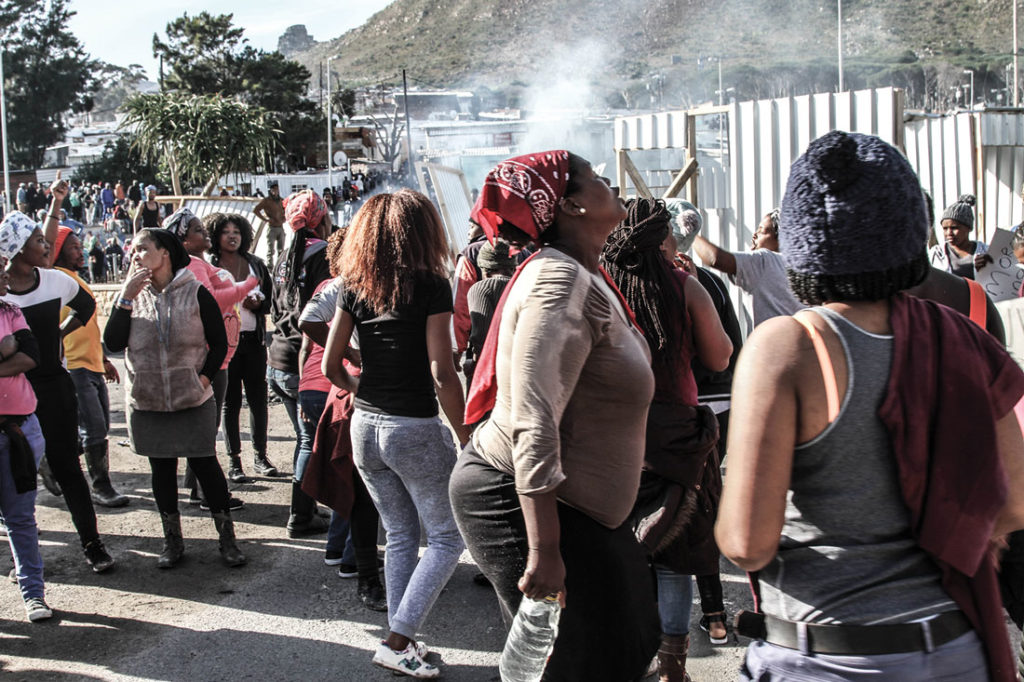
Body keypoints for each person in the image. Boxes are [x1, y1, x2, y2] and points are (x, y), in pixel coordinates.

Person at [716, 130, 1024, 682]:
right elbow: (1013, 505)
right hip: (954, 648)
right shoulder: (960, 337)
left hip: (829, 654)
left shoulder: (788, 346)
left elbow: (746, 542)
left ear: (801, 238)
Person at [448, 151, 661, 681]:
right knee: (578, 666)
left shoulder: (583, 274)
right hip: (526, 500)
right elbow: (533, 418)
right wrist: (544, 552)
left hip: (577, 509)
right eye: (594, 179)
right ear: (569, 204)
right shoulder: (556, 282)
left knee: (624, 645)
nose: (608, 182)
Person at [322, 189, 470, 678]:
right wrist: (466, 434)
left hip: (365, 424)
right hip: (414, 426)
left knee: (402, 534)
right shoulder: (431, 284)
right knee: (447, 539)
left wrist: (363, 388)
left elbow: (330, 364)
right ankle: (399, 639)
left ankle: (398, 641)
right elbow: (443, 373)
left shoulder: (353, 284)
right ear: (422, 230)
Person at [602, 198, 733, 682]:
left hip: (611, 434)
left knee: (618, 547)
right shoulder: (685, 286)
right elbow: (720, 358)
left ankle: (627, 653)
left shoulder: (598, 286)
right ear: (664, 239)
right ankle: (673, 668)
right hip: (675, 435)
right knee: (674, 556)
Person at [103, 228, 245, 568]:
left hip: (192, 398)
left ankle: (227, 541)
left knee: (205, 465)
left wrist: (203, 380)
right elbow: (111, 342)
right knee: (161, 470)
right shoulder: (132, 296)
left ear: (165, 252)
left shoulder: (195, 292)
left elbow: (219, 343)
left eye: (142, 248)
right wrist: (124, 297)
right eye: (134, 250)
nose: (135, 255)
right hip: (149, 402)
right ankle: (173, 543)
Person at [0, 186, 115, 573]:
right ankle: (25, 559)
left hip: (54, 388)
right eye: (37, 240)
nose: (45, 245)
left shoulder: (54, 282)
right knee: (18, 478)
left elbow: (86, 304)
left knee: (68, 468)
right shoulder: (2, 298)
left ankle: (92, 544)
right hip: (11, 396)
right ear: (17, 251)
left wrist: (60, 335)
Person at [660, 199, 743, 649]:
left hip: (685, 407)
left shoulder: (666, 282)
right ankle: (714, 616)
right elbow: (734, 345)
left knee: (679, 511)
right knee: (703, 505)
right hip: (721, 406)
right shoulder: (708, 281)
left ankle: (697, 622)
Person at [297, 228, 385, 612]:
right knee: (362, 488)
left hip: (367, 395)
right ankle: (358, 564)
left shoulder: (396, 280)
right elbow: (309, 321)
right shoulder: (344, 285)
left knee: (368, 489)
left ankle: (349, 556)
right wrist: (352, 356)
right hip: (354, 396)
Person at [163, 208, 257, 507]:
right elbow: (207, 309)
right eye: (196, 229)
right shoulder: (191, 268)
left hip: (218, 356)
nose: (204, 232)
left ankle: (195, 486)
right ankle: (207, 492)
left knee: (204, 425)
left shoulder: (197, 264)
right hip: (209, 358)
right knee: (207, 425)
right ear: (183, 239)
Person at [268, 190, 332, 537]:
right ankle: (300, 516)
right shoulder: (321, 254)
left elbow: (277, 309)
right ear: (321, 219)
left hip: (277, 359)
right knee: (309, 441)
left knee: (303, 439)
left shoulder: (284, 256)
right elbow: (316, 314)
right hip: (300, 363)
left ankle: (306, 507)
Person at [52, 227, 129, 507]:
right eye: (73, 247)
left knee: (100, 426)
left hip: (93, 364)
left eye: (79, 246)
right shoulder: (56, 279)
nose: (80, 251)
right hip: (73, 365)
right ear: (58, 250)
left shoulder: (75, 279)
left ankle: (51, 461)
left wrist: (104, 360)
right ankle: (101, 486)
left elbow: (89, 327)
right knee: (94, 428)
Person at [0, 255, 51, 621]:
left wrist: (12, 350)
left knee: (20, 518)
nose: (5, 274)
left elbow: (30, 357)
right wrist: (6, 351)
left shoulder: (10, 311)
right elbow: (13, 355)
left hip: (19, 430)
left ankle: (33, 595)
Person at [208, 213, 273, 484]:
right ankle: (234, 461)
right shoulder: (209, 266)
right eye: (226, 232)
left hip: (253, 341)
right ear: (216, 236)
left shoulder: (255, 264)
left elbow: (270, 301)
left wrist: (259, 304)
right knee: (230, 402)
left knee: (258, 400)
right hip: (224, 346)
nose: (232, 236)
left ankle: (260, 457)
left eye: (237, 231)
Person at [692, 209, 805, 326]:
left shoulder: (765, 260)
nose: (754, 235)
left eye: (761, 230)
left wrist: (691, 232)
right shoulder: (802, 268)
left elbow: (715, 259)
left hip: (768, 343)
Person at [462, 238, 515, 384]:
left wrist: (473, 366)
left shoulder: (480, 289)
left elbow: (481, 338)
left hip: (497, 376)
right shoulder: (525, 285)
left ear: (484, 268)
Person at [929, 194, 992, 280]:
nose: (949, 233)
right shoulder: (936, 254)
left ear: (969, 228)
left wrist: (987, 269)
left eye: (954, 228)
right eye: (945, 228)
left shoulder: (986, 252)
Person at [254, 183, 286, 271]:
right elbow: (256, 210)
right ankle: (270, 267)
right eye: (274, 190)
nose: (275, 191)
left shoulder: (281, 200)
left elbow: (286, 210)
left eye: (277, 189)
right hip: (272, 228)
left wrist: (284, 218)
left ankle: (279, 267)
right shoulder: (266, 201)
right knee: (271, 250)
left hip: (280, 227)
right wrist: (265, 219)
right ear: (271, 191)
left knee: (281, 250)